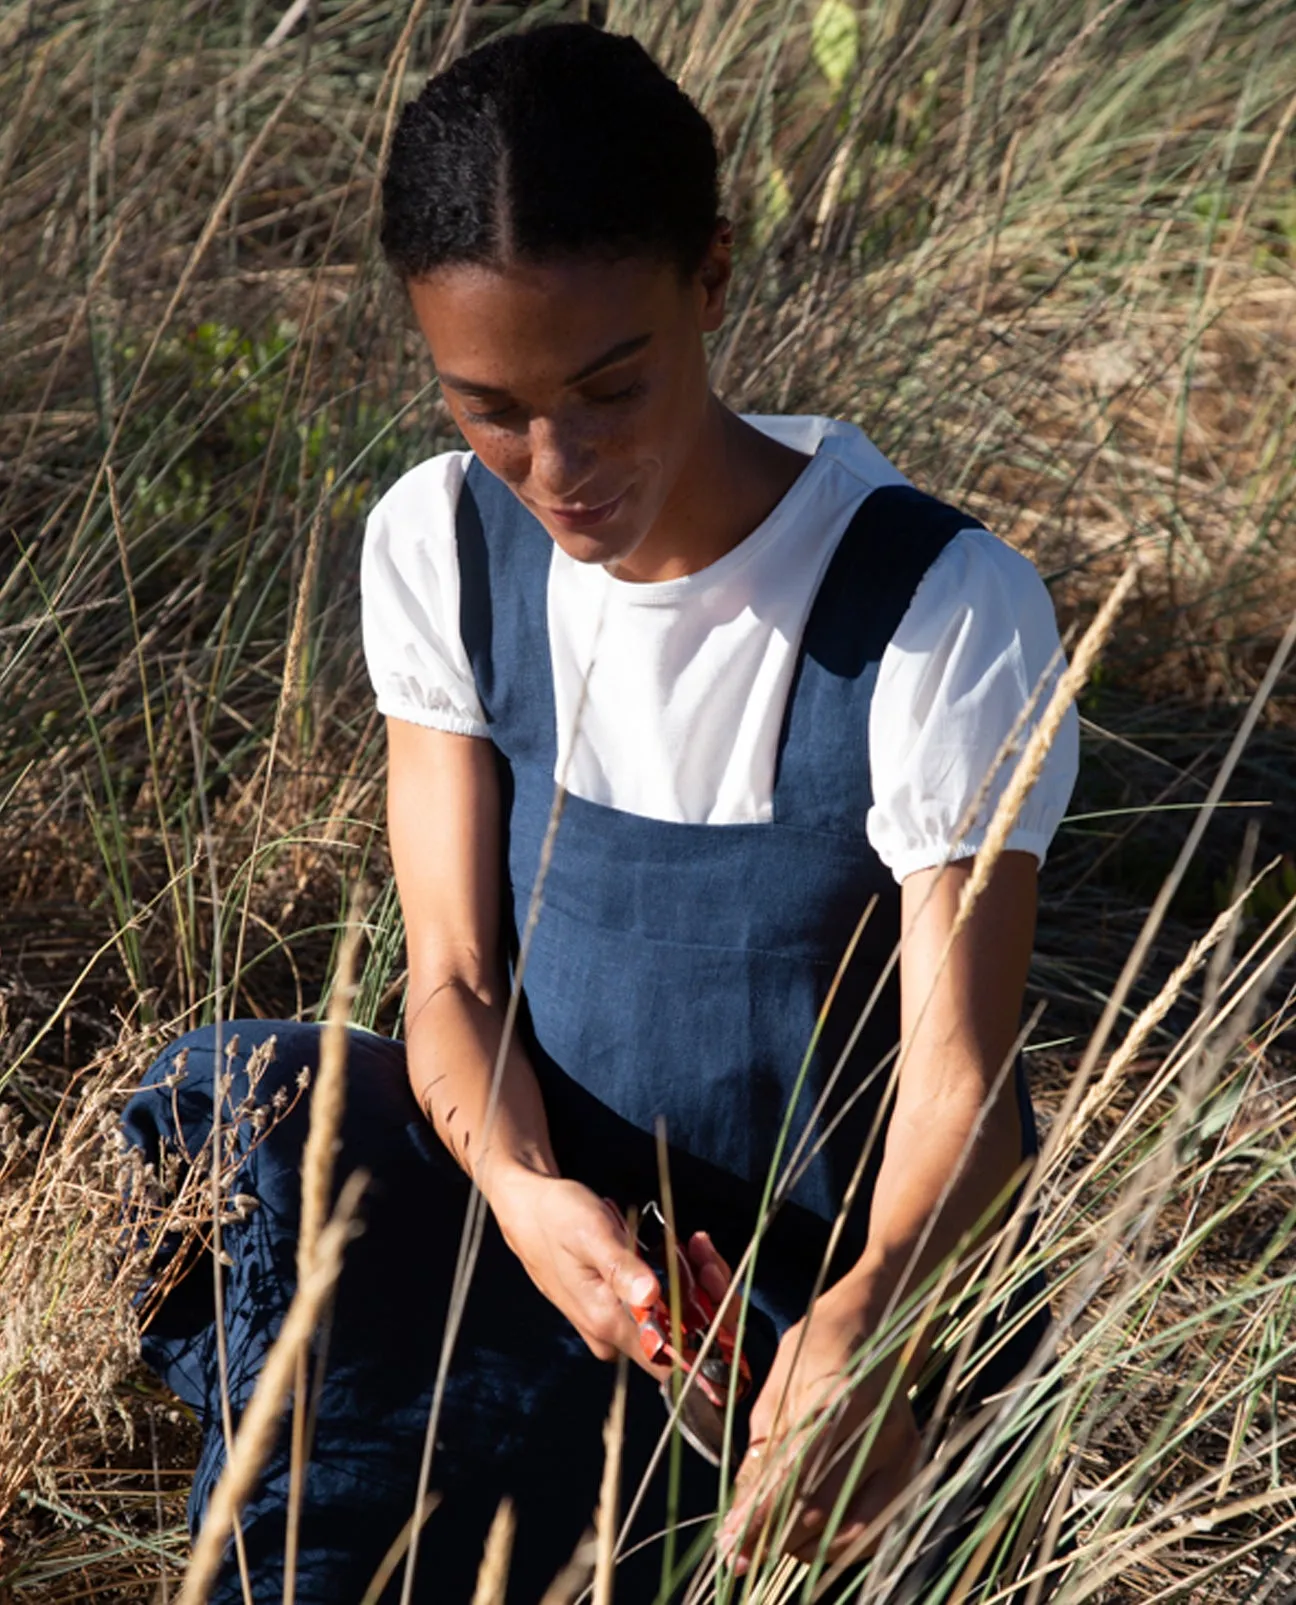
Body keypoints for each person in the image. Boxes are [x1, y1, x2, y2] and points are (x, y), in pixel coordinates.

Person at [122, 21, 1080, 1604]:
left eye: (609, 386)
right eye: (487, 403)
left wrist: (863, 1327)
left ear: (712, 277)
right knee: (263, 1105)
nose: (553, 466)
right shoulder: (439, 546)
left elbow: (962, 1088)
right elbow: (451, 983)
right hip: (561, 1260)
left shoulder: (934, 607)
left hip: (831, 1338)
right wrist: (521, 1194)